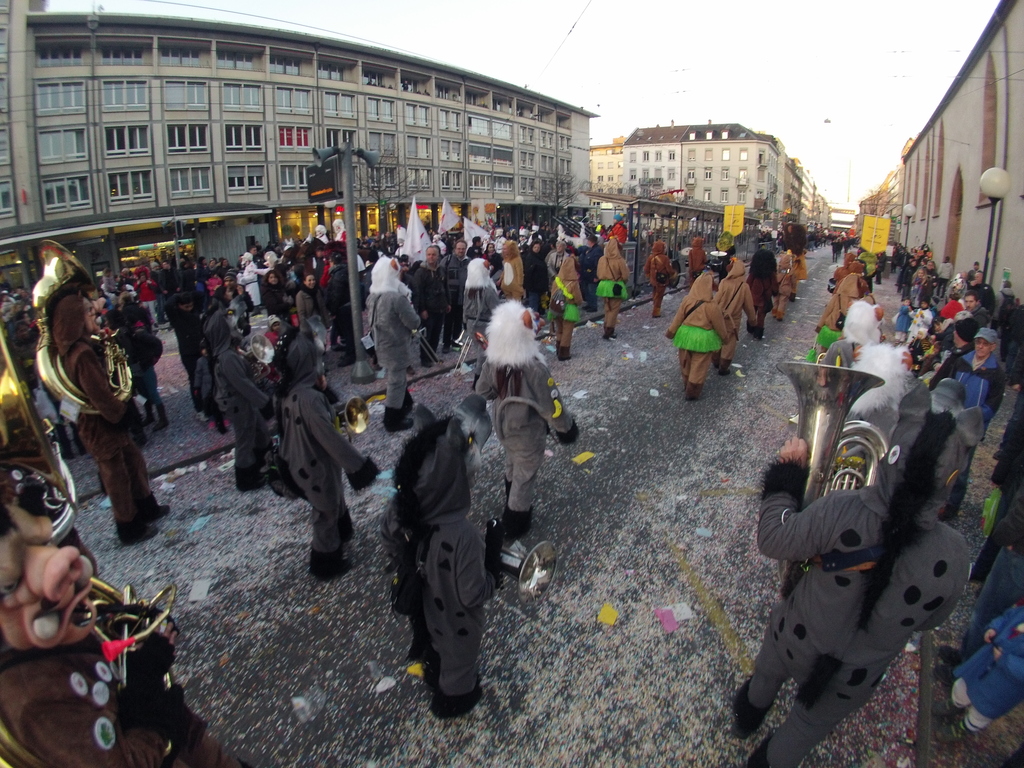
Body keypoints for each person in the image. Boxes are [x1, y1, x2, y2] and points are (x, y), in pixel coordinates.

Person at [732, 383, 981, 768]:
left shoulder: (842, 507)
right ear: (952, 476)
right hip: (854, 676)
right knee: (805, 727)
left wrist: (787, 477)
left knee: (766, 674)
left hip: (796, 636)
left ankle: (746, 719)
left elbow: (773, 538)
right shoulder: (956, 556)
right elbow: (931, 621)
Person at [0, 477, 248, 768]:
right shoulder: (31, 699)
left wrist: (134, 630)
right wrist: (145, 688)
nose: (64, 563)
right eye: (12, 583)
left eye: (42, 543)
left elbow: (94, 630)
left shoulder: (50, 626)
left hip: (177, 732)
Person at [380, 395, 502, 718]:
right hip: (458, 621)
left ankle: (434, 670)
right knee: (459, 657)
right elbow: (473, 593)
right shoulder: (463, 535)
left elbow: (389, 534)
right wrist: (493, 572)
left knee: (434, 640)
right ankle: (455, 698)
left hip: (427, 605)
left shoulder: (411, 513)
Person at [51, 292, 167, 543]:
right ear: (77, 319)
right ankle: (129, 526)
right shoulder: (81, 353)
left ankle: (147, 507)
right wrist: (121, 412)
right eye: (90, 312)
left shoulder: (84, 347)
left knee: (134, 462)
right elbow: (99, 394)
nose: (96, 316)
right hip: (102, 424)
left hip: (107, 421)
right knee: (116, 477)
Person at [276, 329, 378, 579]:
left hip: (299, 459)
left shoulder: (289, 391)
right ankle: (325, 561)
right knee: (326, 509)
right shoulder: (309, 399)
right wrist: (358, 466)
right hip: (313, 465)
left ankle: (342, 532)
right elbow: (329, 437)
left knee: (334, 496)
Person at [475, 302, 578, 539]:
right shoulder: (535, 369)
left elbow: (483, 391)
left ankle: (510, 498)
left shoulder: (494, 362)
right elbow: (552, 404)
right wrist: (566, 429)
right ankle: (515, 521)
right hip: (527, 431)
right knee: (525, 474)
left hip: (504, 427)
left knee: (513, 463)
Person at [204, 305, 273, 491]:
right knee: (245, 439)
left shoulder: (228, 353)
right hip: (237, 403)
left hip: (241, 401)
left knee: (260, 431)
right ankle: (246, 479)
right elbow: (242, 384)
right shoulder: (227, 357)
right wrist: (264, 402)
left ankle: (263, 465)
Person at [935, 599, 1024, 742]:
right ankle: (956, 703)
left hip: (1005, 685)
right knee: (963, 686)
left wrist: (1005, 659)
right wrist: (994, 627)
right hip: (983, 663)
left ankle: (965, 727)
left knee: (983, 710)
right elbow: (1008, 615)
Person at [367, 257, 420, 432]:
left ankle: (405, 403)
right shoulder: (396, 298)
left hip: (380, 344)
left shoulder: (373, 296)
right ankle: (392, 419)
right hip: (396, 346)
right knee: (396, 382)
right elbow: (414, 322)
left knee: (397, 378)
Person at [666, 273, 729, 401]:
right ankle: (692, 391)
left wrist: (671, 332)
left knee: (685, 362)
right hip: (703, 340)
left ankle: (686, 383)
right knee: (699, 366)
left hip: (685, 337)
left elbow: (678, 318)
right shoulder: (712, 306)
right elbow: (719, 326)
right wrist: (725, 338)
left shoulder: (687, 300)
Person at [713, 257, 756, 376]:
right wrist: (753, 321)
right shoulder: (744, 287)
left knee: (718, 337)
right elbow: (749, 307)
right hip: (733, 320)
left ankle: (715, 360)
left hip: (719, 316)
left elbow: (716, 300)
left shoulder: (724, 282)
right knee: (729, 342)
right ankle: (723, 367)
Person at [165, 291, 204, 416]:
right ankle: (199, 408)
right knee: (195, 380)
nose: (189, 309)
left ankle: (208, 404)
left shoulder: (194, 312)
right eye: (186, 307)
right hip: (188, 353)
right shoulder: (176, 317)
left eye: (191, 306)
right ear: (179, 306)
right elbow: (167, 305)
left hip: (201, 349)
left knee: (207, 378)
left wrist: (186, 294)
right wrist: (177, 296)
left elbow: (200, 295)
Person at [411, 245, 450, 365]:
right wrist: (422, 309)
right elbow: (418, 292)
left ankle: (432, 355)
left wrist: (448, 303)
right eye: (429, 254)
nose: (431, 257)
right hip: (428, 309)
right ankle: (425, 358)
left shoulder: (441, 269)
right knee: (426, 335)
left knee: (436, 334)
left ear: (438, 256)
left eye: (433, 254)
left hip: (440, 307)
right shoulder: (420, 272)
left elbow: (445, 287)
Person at [463, 257, 500, 382]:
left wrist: (465, 321)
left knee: (480, 350)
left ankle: (483, 377)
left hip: (470, 323)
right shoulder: (488, 290)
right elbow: (496, 309)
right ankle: (479, 379)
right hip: (484, 324)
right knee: (484, 352)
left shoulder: (468, 289)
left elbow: (464, 306)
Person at [549, 248, 581, 361]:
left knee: (560, 329)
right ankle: (564, 352)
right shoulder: (573, 282)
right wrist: (579, 302)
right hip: (569, 308)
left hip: (557, 308)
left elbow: (552, 294)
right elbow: (578, 298)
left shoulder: (557, 280)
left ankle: (558, 348)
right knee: (567, 331)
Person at [596, 237, 630, 341]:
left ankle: (606, 326)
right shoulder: (620, 260)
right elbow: (625, 276)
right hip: (615, 286)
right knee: (614, 310)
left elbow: (598, 273)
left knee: (607, 308)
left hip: (603, 286)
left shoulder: (602, 259)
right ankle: (609, 331)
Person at [440, 239, 470, 353]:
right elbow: (441, 277)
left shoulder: (469, 262)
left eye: (463, 249)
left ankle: (455, 343)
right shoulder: (447, 260)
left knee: (459, 322)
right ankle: (446, 344)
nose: (461, 251)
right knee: (448, 322)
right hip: (450, 297)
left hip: (463, 297)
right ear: (455, 249)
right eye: (459, 248)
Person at [746, 248, 779, 341]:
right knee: (761, 316)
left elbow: (748, 283)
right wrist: (775, 292)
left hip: (753, 296)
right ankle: (758, 333)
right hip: (765, 297)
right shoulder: (771, 274)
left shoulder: (753, 273)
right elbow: (774, 285)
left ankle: (750, 327)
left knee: (752, 313)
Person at [643, 240, 676, 319]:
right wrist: (673, 273)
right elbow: (669, 270)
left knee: (655, 293)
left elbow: (646, 268)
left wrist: (649, 275)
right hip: (662, 280)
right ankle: (656, 311)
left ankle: (655, 305)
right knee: (659, 295)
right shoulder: (665, 258)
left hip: (653, 280)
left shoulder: (651, 257)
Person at [295, 271, 328, 337]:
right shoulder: (300, 295)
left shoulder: (317, 292)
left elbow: (323, 308)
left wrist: (327, 323)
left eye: (313, 280)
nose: (312, 282)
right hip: (309, 325)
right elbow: (301, 314)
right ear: (304, 282)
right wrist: (306, 328)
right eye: (309, 280)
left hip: (320, 323)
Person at [521, 240, 548, 314]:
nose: (537, 249)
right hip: (533, 286)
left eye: (538, 247)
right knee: (533, 304)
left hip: (540, 285)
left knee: (538, 303)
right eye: (535, 247)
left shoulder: (541, 257)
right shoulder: (530, 257)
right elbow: (528, 272)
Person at [783, 223, 808, 301]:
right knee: (787, 274)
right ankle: (789, 290)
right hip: (791, 260)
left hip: (795, 262)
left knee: (793, 276)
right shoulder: (790, 242)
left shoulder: (797, 246)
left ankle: (792, 291)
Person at [579, 234, 602, 312]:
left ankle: (593, 306)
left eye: (588, 240)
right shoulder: (590, 249)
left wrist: (596, 276)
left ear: (591, 241)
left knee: (592, 291)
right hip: (586, 274)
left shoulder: (597, 250)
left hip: (592, 275)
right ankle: (589, 304)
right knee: (587, 291)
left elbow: (597, 264)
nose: (587, 242)